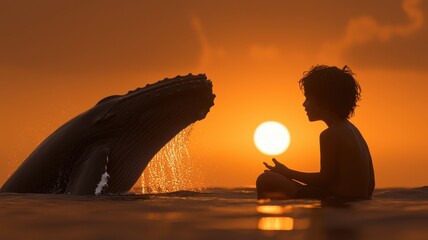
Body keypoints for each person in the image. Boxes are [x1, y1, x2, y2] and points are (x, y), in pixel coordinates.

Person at [256, 65, 375, 200]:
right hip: (357, 205)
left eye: (308, 98)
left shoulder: (330, 134)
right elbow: (371, 185)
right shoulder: (355, 132)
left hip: (339, 203)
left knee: (266, 180)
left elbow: (324, 180)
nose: (304, 104)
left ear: (324, 102)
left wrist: (287, 172)